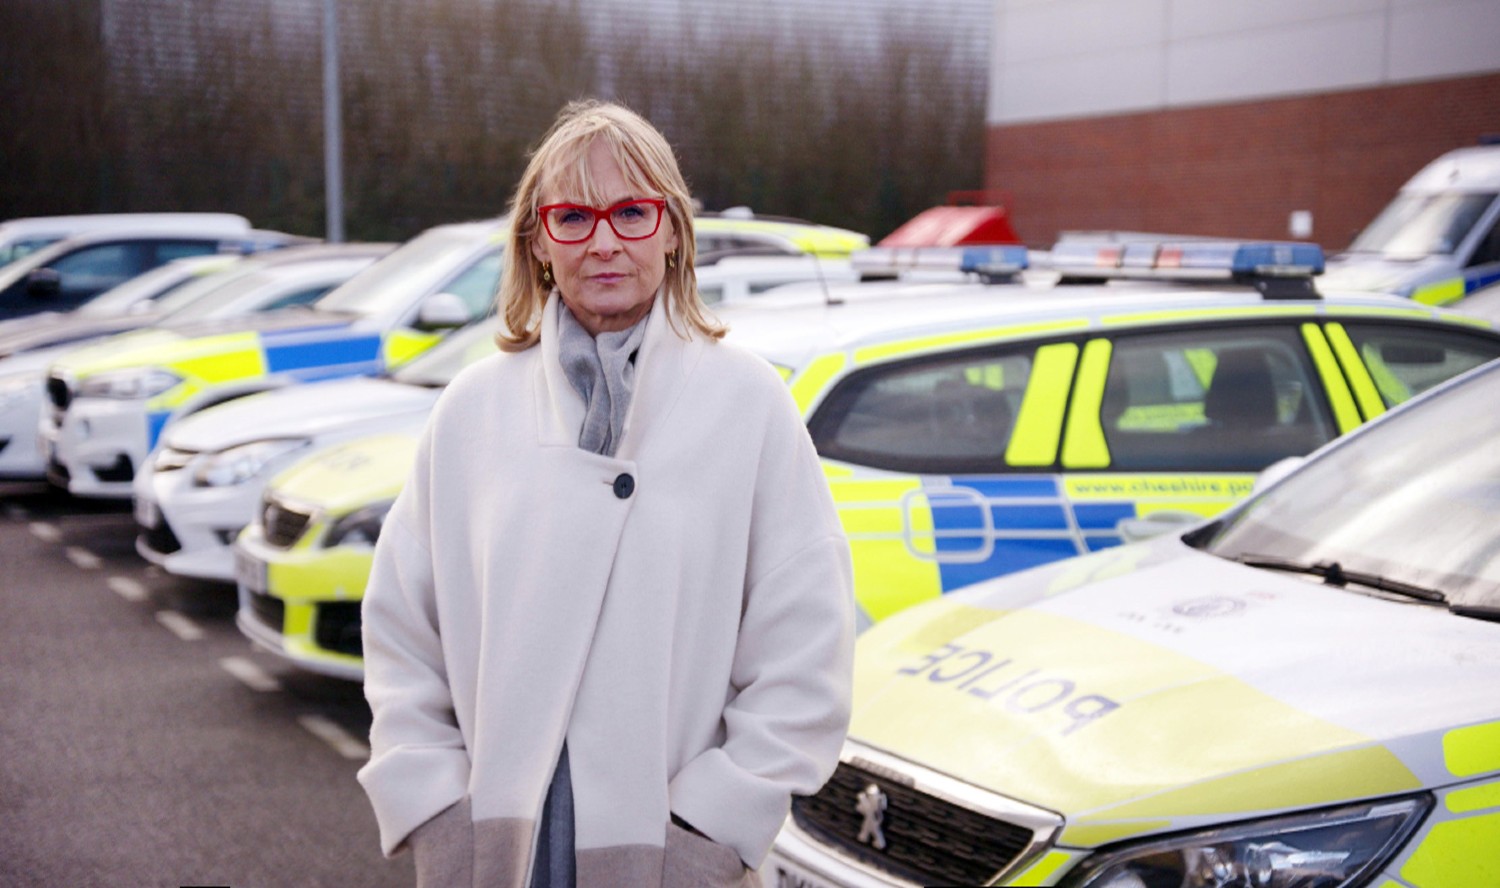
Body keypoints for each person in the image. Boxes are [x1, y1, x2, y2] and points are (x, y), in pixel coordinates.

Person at [357, 99, 855, 888]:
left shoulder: (747, 403)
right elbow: (402, 640)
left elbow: (805, 654)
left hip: (670, 856)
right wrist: (436, 814)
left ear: (670, 230)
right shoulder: (472, 410)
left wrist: (712, 831)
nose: (604, 242)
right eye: (573, 217)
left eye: (630, 211)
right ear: (539, 242)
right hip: (502, 856)